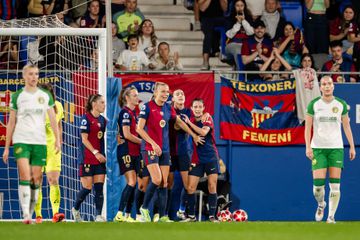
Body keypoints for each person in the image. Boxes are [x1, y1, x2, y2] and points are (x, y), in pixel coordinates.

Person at [136, 82, 203, 222]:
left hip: (165, 150)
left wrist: (194, 135)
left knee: (164, 183)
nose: (166, 94)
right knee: (156, 179)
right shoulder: (147, 107)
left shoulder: (168, 108)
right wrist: (153, 143)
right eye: (163, 91)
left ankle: (162, 216)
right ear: (155, 93)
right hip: (150, 148)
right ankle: (144, 208)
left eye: (167, 91)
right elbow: (139, 129)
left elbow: (179, 122)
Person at [2, 64, 60, 224]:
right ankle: (32, 214)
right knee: (30, 178)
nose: (33, 77)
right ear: (24, 76)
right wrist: (7, 147)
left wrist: (58, 140)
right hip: (28, 142)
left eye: (36, 74)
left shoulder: (49, 100)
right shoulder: (18, 97)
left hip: (45, 144)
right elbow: (11, 122)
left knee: (45, 178)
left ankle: (48, 213)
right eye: (30, 74)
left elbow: (55, 122)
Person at [305, 75, 356, 224]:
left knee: (335, 185)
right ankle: (321, 204)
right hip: (318, 149)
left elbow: (346, 126)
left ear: (333, 86)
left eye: (329, 83)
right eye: (324, 84)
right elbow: (308, 127)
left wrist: (352, 146)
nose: (327, 86)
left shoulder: (341, 104)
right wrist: (308, 146)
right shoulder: (313, 104)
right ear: (320, 87)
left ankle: (331, 217)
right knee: (318, 188)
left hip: (336, 148)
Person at [181, 98, 220, 222]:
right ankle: (191, 216)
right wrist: (188, 122)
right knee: (190, 187)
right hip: (196, 159)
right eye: (195, 107)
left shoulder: (207, 119)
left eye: (200, 107)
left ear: (203, 108)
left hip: (210, 157)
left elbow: (203, 132)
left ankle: (212, 216)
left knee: (212, 186)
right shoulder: (190, 120)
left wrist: (189, 123)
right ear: (192, 109)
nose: (197, 109)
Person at [72, 94, 107, 222]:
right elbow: (84, 139)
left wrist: (118, 138)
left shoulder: (103, 121)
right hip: (87, 158)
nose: (104, 105)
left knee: (99, 188)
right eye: (102, 102)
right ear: (94, 104)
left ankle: (98, 215)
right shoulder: (85, 119)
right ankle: (75, 209)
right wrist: (96, 153)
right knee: (87, 188)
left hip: (99, 160)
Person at [34, 83, 65, 224]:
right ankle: (38, 215)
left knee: (53, 180)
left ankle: (56, 213)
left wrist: (60, 141)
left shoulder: (58, 106)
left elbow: (59, 125)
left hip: (53, 148)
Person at [113, 87, 142, 223]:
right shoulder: (125, 113)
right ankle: (119, 213)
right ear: (127, 98)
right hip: (127, 151)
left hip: (135, 151)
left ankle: (129, 215)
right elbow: (126, 134)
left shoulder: (133, 113)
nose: (137, 98)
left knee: (134, 183)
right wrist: (143, 142)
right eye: (134, 95)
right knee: (131, 182)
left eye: (137, 95)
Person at [169, 89, 193, 220]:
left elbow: (179, 127)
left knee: (187, 184)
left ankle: (182, 210)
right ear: (173, 98)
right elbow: (176, 127)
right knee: (167, 185)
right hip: (170, 152)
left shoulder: (189, 112)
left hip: (184, 152)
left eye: (182, 94)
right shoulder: (168, 110)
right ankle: (163, 214)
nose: (180, 96)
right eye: (177, 94)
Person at [225, 0, 254, 69]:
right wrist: (238, 23)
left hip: (246, 45)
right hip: (232, 45)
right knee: (238, 48)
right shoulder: (229, 18)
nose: (240, 8)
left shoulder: (249, 18)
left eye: (242, 5)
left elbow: (251, 32)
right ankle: (240, 74)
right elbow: (229, 35)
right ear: (234, 7)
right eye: (237, 5)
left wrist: (243, 21)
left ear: (245, 7)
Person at [293, 53, 321, 124]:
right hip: (302, 100)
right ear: (301, 62)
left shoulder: (315, 73)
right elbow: (289, 69)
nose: (307, 63)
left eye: (309, 61)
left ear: (312, 62)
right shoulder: (298, 72)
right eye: (305, 61)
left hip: (313, 99)